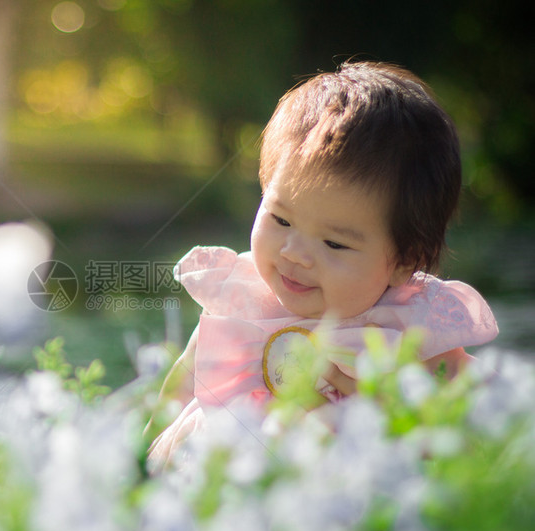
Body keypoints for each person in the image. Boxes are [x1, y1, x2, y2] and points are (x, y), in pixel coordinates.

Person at [148, 61, 498, 468]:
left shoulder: (410, 331)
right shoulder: (238, 298)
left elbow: (478, 440)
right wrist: (141, 465)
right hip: (216, 482)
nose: (294, 253)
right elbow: (174, 395)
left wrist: (404, 422)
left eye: (334, 243)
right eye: (280, 219)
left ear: (406, 260)